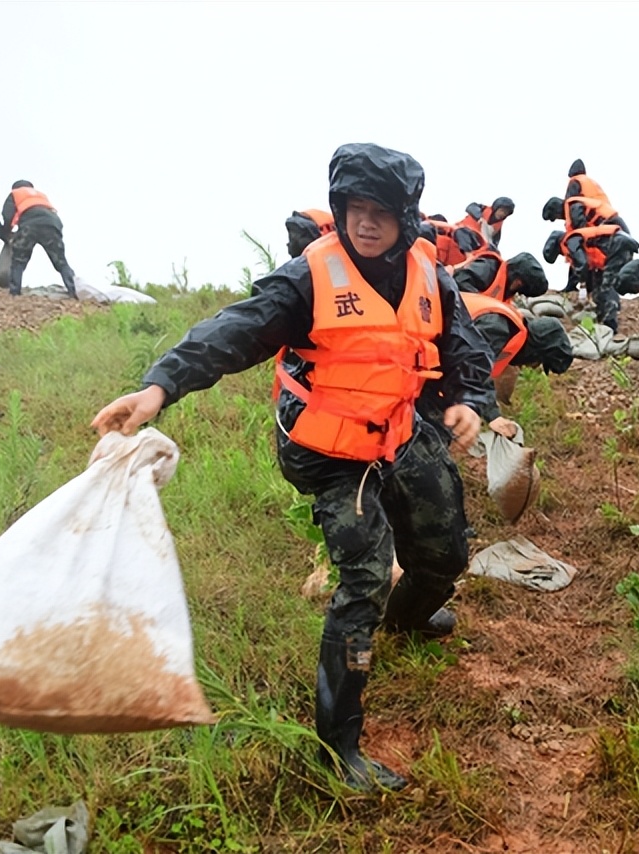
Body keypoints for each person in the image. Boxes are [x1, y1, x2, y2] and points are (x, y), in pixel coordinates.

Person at [90, 143, 497, 792]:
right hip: (329, 451)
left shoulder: (432, 277)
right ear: (339, 210)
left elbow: (464, 348)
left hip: (397, 431)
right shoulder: (309, 278)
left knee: (445, 554)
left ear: (407, 219)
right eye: (354, 209)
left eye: (381, 213)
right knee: (364, 579)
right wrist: (158, 387)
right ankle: (340, 751)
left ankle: (412, 617)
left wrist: (474, 401)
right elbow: (234, 330)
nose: (365, 224)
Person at [417, 292, 573, 437]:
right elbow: (471, 367)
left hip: (421, 359)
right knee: (434, 435)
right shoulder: (497, 328)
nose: (531, 367)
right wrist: (493, 416)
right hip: (410, 355)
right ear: (536, 351)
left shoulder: (506, 325)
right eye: (537, 362)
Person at [544, 225, 639, 333]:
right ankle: (602, 316)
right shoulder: (576, 240)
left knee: (606, 286)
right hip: (620, 246)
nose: (562, 255)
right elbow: (585, 266)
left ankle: (611, 325)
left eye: (559, 253)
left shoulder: (571, 241)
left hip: (617, 246)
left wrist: (583, 286)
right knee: (598, 286)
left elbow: (582, 264)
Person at [1, 181, 78, 298]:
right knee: (60, 261)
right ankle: (74, 290)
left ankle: (15, 293)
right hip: (52, 223)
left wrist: (7, 232)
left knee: (18, 260)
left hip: (30, 224)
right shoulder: (40, 195)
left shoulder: (15, 193)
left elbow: (7, 214)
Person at [450, 250, 548, 303]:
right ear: (518, 280)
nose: (518, 293)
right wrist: (483, 304)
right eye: (520, 287)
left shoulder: (507, 292)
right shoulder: (487, 268)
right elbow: (459, 280)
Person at [541, 195, 631, 235]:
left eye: (555, 217)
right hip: (613, 228)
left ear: (557, 210)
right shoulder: (574, 206)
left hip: (613, 227)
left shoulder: (574, 208)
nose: (559, 219)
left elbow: (582, 232)